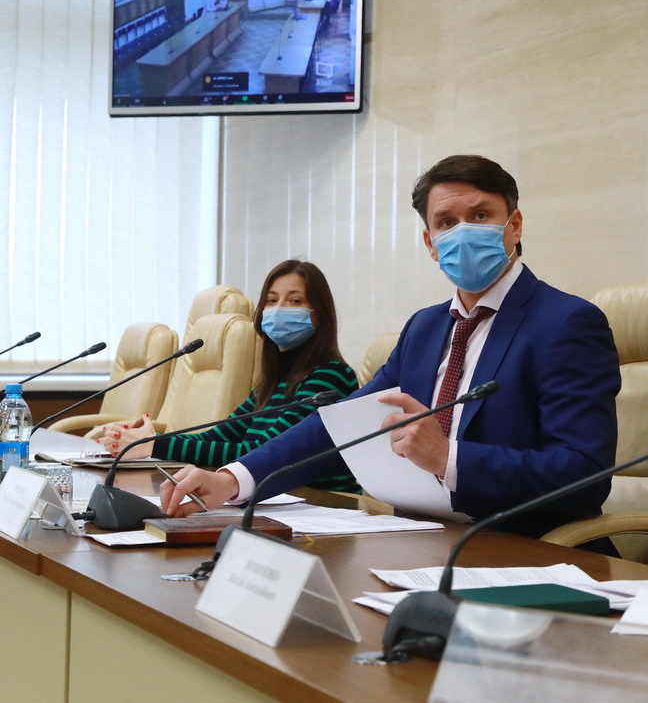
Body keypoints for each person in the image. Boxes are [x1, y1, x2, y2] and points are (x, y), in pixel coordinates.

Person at [160, 155, 621, 539]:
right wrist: (232, 479)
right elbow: (340, 426)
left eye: (480, 216)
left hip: (518, 547)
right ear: (431, 243)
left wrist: (447, 458)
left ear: (514, 225)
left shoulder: (566, 323)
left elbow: (583, 475)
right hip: (417, 539)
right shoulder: (424, 328)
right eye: (446, 222)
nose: (463, 232)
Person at [98, 260, 360, 492]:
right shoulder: (273, 381)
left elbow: (260, 454)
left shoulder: (331, 376)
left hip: (324, 505)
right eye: (271, 300)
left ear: (319, 315)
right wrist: (150, 440)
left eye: (295, 301)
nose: (279, 309)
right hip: (277, 499)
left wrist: (155, 446)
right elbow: (215, 437)